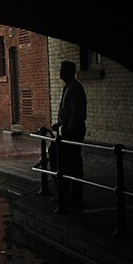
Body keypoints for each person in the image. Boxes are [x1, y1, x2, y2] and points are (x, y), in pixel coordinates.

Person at [52, 60, 87, 207]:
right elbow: (68, 111)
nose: (59, 73)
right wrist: (60, 123)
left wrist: (68, 129)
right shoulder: (69, 87)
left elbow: (77, 112)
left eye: (61, 70)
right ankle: (66, 194)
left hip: (73, 130)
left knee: (71, 162)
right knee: (66, 161)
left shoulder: (74, 88)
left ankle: (74, 195)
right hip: (68, 128)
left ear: (67, 71)